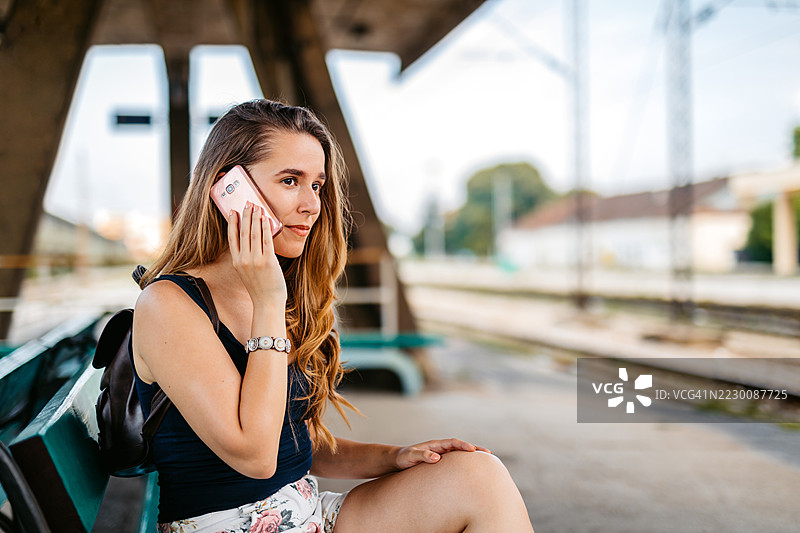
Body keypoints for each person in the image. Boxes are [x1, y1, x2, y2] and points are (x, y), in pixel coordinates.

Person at [131, 99, 535, 533]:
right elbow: (256, 454)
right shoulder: (169, 305)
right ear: (227, 188)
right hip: (232, 526)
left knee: (479, 474)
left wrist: (392, 457)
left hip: (304, 513)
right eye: (291, 180)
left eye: (318, 185)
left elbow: (292, 442)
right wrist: (268, 301)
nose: (312, 204)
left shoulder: (274, 291)